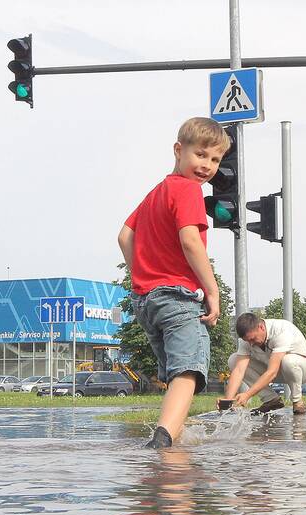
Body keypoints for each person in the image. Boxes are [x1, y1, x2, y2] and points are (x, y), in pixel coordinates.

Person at [118, 117, 229, 449]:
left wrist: (144, 275)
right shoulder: (187, 189)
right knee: (188, 372)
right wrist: (212, 290)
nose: (206, 166)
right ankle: (162, 443)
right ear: (179, 150)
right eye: (201, 155)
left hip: (146, 300)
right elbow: (190, 241)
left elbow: (125, 236)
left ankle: (169, 441)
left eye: (215, 160)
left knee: (176, 374)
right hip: (177, 297)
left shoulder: (157, 192)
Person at [222, 312, 306, 416]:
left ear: (261, 327)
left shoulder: (281, 330)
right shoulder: (246, 341)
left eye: (253, 339)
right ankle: (271, 400)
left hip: (305, 369)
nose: (251, 344)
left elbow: (272, 372)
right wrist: (227, 402)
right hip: (278, 370)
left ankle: (297, 401)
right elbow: (239, 370)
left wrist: (247, 395)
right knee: (233, 360)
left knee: (288, 361)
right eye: (247, 341)